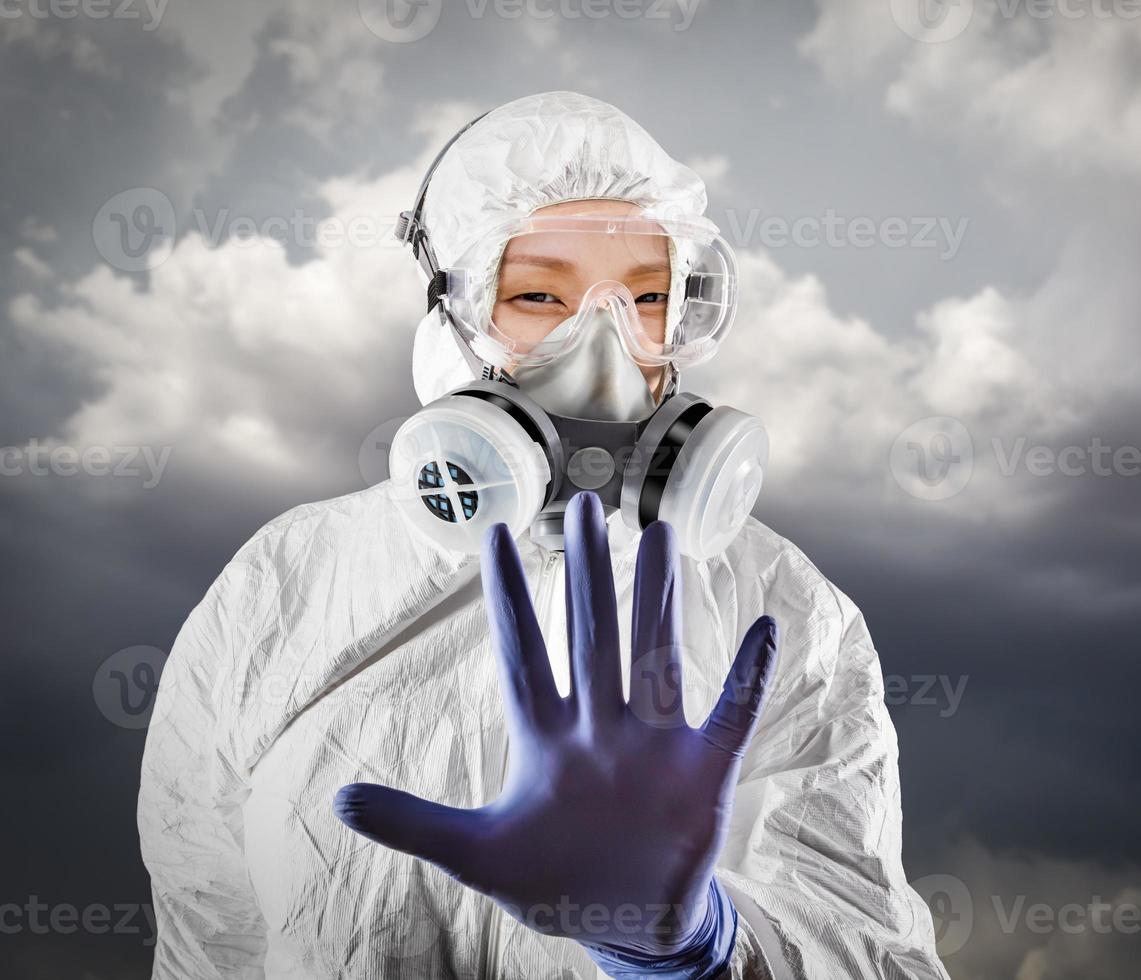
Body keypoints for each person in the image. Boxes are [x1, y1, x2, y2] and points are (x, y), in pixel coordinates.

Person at [138, 91, 949, 979]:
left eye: (646, 296)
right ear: (452, 319)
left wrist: (693, 953)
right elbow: (204, 937)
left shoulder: (784, 608)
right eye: (536, 295)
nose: (603, 349)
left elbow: (876, 954)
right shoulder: (287, 583)